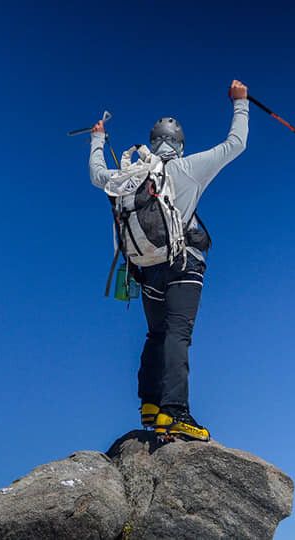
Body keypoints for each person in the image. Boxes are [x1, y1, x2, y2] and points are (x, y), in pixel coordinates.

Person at [89, 80, 249, 441]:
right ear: (178, 144)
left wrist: (98, 139)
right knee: (179, 333)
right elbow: (235, 144)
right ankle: (176, 412)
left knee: (156, 333)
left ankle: (151, 404)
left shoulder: (129, 177)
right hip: (183, 264)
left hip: (145, 271)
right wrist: (240, 103)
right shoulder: (188, 168)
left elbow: (97, 175)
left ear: (153, 140)